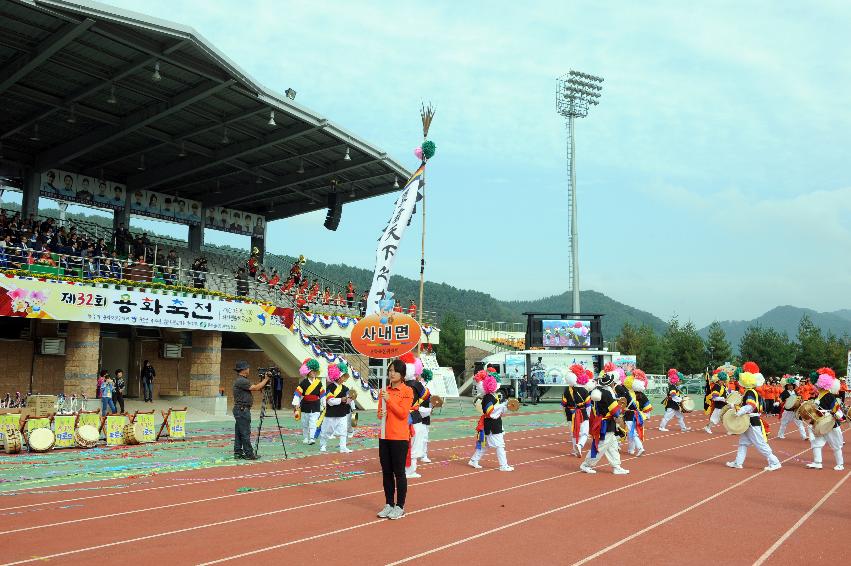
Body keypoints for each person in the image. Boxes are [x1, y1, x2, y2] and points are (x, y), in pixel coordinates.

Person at [726, 362, 781, 471]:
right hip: (749, 420)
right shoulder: (752, 391)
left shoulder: (750, 392)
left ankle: (775, 462)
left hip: (751, 420)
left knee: (760, 443)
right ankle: (738, 462)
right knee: (743, 443)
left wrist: (738, 411)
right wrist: (736, 407)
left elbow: (750, 406)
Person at [376, 359, 414, 520]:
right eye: (390, 370)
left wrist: (389, 400)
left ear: (402, 374)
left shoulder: (407, 391)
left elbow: (403, 414)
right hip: (384, 436)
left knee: (399, 473)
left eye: (394, 371)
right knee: (386, 472)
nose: (391, 373)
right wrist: (381, 413)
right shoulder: (384, 390)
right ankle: (389, 503)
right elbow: (379, 412)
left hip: (399, 437)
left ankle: (400, 506)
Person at [580, 368, 629, 475]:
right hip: (606, 423)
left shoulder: (597, 391)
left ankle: (616, 466)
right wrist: (621, 419)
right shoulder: (607, 394)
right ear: (611, 383)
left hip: (602, 421)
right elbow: (615, 411)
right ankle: (586, 464)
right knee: (601, 445)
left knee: (613, 446)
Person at [468, 369, 514, 472]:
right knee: (500, 445)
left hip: (491, 424)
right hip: (492, 425)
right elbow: (490, 411)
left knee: (485, 445)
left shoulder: (491, 396)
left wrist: (506, 406)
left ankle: (473, 460)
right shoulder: (488, 397)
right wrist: (503, 405)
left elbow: (497, 411)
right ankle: (503, 465)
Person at [806, 369, 845, 471]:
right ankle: (817, 462)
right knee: (816, 443)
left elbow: (837, 409)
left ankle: (840, 464)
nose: (815, 385)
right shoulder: (818, 395)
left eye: (817, 383)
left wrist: (835, 414)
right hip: (820, 423)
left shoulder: (829, 396)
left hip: (830, 423)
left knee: (836, 445)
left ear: (822, 384)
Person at [232, 361, 270, 460]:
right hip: (242, 410)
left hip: (240, 409)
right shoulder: (241, 381)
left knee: (239, 432)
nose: (249, 369)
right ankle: (249, 454)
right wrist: (266, 379)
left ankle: (238, 452)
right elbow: (256, 387)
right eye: (247, 368)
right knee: (245, 432)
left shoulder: (242, 380)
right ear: (244, 370)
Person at [402, 353, 428, 479]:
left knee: (403, 444)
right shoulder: (417, 385)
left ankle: (401, 468)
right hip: (414, 417)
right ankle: (410, 471)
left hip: (401, 417)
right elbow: (426, 396)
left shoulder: (399, 384)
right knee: (415, 444)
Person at [319, 362, 354, 454]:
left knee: (343, 431)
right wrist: (341, 399)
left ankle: (343, 447)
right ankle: (323, 445)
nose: (343, 379)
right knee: (327, 431)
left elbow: (348, 401)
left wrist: (351, 398)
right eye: (343, 376)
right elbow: (330, 402)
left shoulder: (346, 388)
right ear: (337, 376)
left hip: (342, 413)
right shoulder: (330, 387)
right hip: (331, 414)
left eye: (344, 377)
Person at [292, 358, 324, 444]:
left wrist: (324, 403)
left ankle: (312, 438)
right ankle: (306, 438)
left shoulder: (319, 383)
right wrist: (296, 403)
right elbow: (297, 394)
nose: (314, 373)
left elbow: (322, 394)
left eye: (315, 371)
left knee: (313, 423)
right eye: (312, 371)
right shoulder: (303, 382)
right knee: (305, 423)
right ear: (308, 372)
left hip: (315, 405)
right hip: (305, 405)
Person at [562, 365, 590, 457]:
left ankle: (575, 450)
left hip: (570, 413)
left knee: (573, 433)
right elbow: (588, 405)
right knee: (585, 432)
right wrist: (588, 416)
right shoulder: (584, 390)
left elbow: (563, 404)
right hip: (582, 414)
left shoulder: (566, 390)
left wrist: (566, 415)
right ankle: (580, 445)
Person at [623, 369, 652, 456]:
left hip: (629, 415)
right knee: (630, 432)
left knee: (632, 432)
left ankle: (640, 448)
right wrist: (646, 416)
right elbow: (648, 407)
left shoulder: (627, 393)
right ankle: (631, 450)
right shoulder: (641, 395)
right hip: (638, 415)